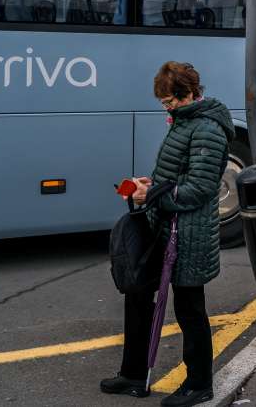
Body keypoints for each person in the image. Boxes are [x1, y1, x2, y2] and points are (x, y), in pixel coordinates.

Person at [101, 62, 234, 407]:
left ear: (189, 94)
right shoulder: (185, 121)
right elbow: (176, 174)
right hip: (164, 226)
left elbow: (201, 188)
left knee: (190, 307)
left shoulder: (206, 128)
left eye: (169, 101)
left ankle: (199, 383)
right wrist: (150, 183)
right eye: (163, 102)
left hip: (188, 233)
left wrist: (153, 194)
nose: (166, 107)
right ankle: (132, 373)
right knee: (138, 295)